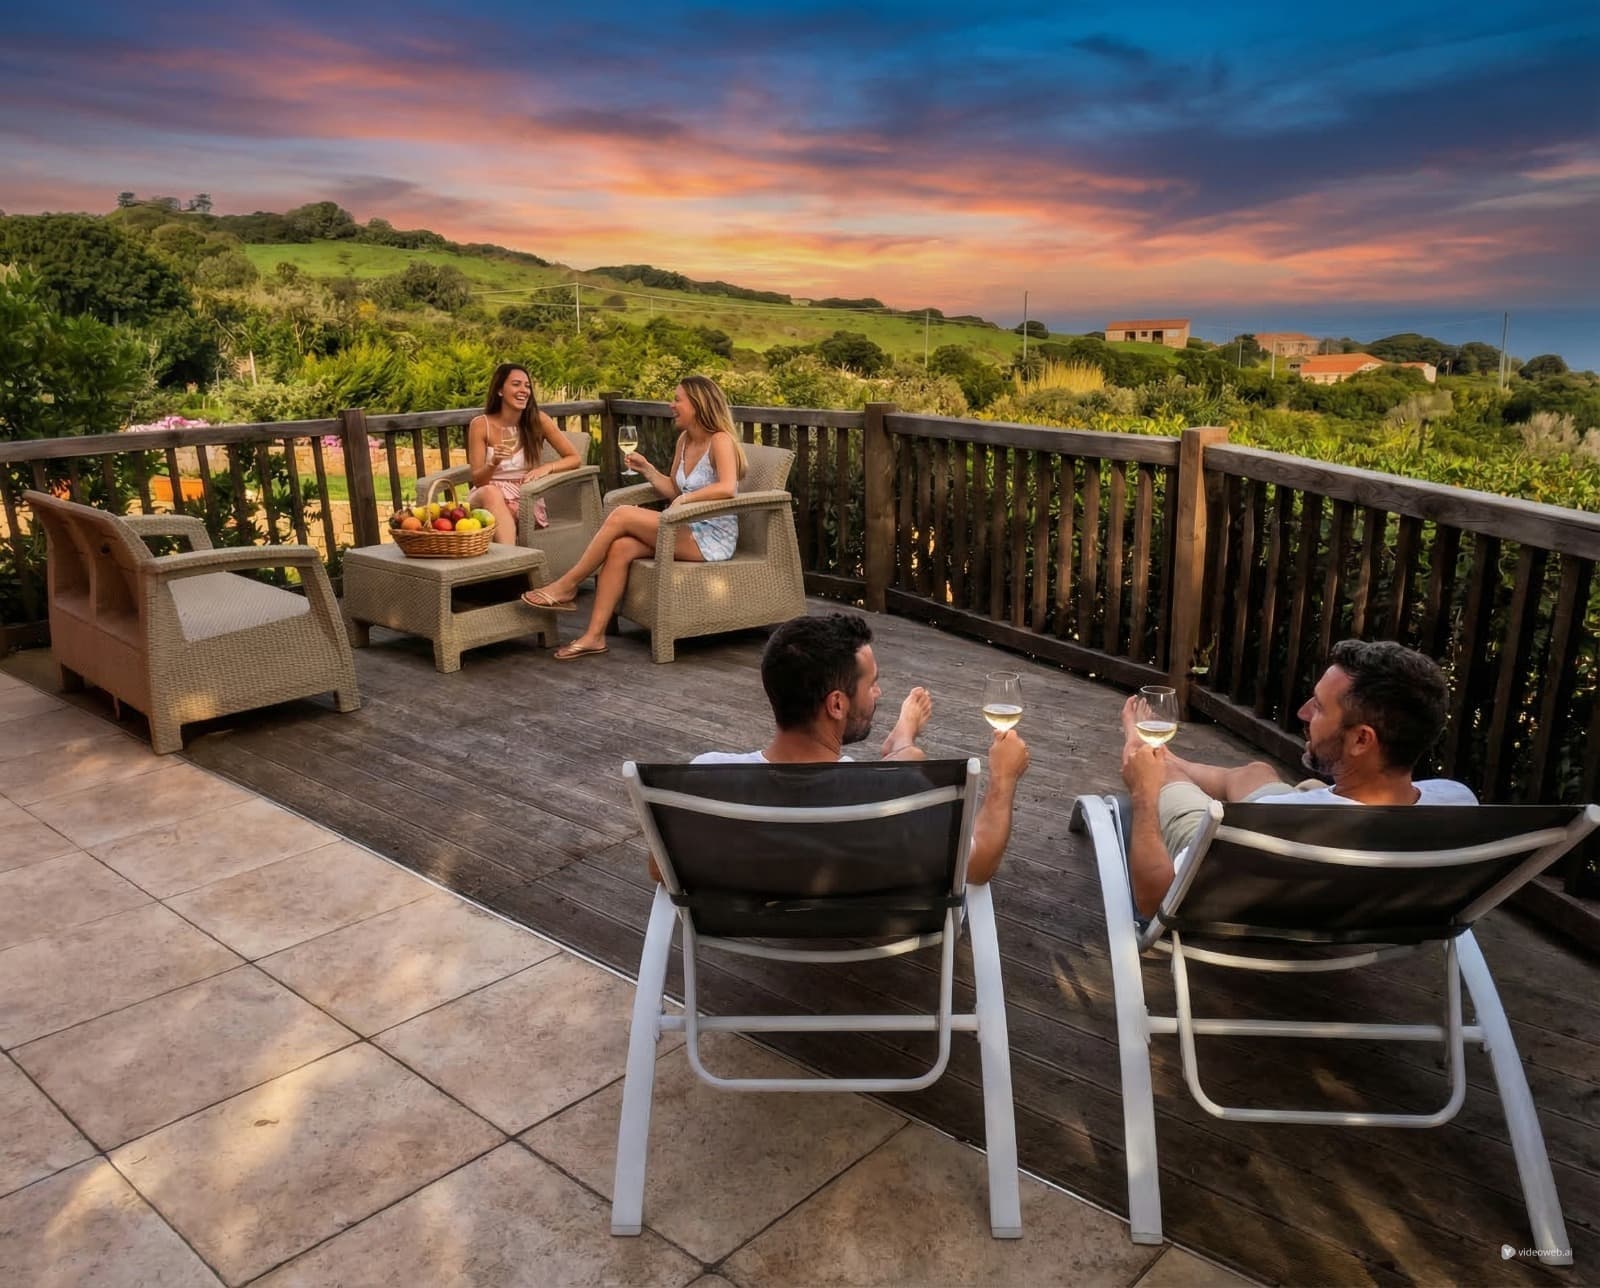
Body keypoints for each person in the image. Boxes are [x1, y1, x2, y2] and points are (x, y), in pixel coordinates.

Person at [1119, 638, 1476, 916]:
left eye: (1319, 707)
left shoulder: (1271, 822)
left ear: (1361, 739)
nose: (1303, 712)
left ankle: (1147, 754)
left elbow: (1156, 901)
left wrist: (1144, 797)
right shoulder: (1458, 803)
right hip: (1336, 873)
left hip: (1261, 867)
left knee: (1157, 777)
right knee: (1257, 772)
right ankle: (1167, 757)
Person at [692, 613, 1030, 885]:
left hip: (762, 923)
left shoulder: (708, 775)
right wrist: (1003, 777)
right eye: (872, 684)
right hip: (883, 925)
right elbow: (979, 865)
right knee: (910, 763)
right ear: (837, 704)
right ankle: (902, 743)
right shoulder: (897, 790)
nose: (878, 694)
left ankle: (902, 741)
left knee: (908, 761)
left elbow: (661, 868)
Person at [523, 375, 746, 660]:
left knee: (622, 515)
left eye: (678, 399)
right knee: (621, 547)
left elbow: (727, 487)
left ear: (698, 404)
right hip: (681, 526)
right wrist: (648, 469)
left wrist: (686, 499)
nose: (671, 405)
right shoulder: (685, 440)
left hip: (711, 536)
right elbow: (674, 489)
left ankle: (567, 584)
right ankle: (594, 636)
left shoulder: (721, 441)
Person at [465, 363, 581, 544]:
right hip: (486, 496)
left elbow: (574, 458)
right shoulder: (480, 425)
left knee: (501, 517)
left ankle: (507, 564)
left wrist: (547, 468)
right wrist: (493, 462)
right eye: (516, 384)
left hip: (524, 495)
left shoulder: (538, 421)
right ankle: (511, 563)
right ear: (500, 390)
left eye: (527, 386)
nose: (524, 390)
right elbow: (479, 481)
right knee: (490, 493)